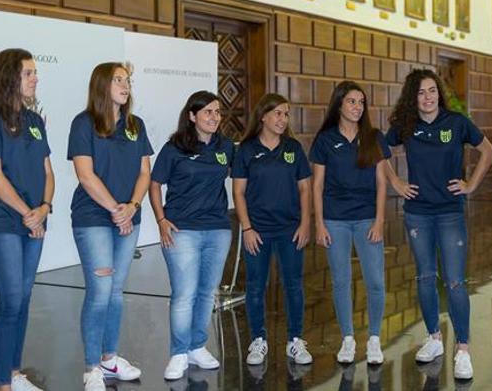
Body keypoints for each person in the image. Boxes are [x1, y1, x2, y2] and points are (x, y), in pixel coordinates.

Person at [385, 69, 492, 380]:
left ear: (439, 93)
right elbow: (378, 151)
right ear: (412, 97)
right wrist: (396, 181)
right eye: (421, 92)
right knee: (425, 276)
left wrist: (471, 184)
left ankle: (463, 349)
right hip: (417, 211)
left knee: (455, 281)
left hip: (450, 212)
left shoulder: (457, 122)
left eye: (432, 91)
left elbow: (487, 151)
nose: (428, 97)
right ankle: (433, 338)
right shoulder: (405, 126)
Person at [68, 62, 153, 391]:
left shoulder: (136, 125)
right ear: (102, 85)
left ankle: (109, 358)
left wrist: (131, 207)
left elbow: (145, 172)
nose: (125, 84)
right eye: (118, 79)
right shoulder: (84, 123)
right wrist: (116, 210)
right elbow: (85, 175)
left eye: (127, 79)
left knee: (116, 292)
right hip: (94, 218)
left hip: (128, 216)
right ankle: (91, 368)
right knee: (101, 291)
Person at [0, 49, 53, 391]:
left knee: (24, 298)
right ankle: (4, 384)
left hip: (34, 217)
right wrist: (27, 213)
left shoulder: (34, 121)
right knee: (11, 300)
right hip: (2, 219)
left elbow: (48, 171)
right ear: (10, 77)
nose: (36, 78)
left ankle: (15, 374)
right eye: (29, 73)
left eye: (35, 72)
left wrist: (45, 207)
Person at [149, 91, 235, 380]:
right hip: (182, 229)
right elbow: (155, 184)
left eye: (217, 112)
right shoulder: (175, 147)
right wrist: (161, 220)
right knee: (184, 294)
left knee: (206, 292)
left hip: (218, 230)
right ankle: (178, 352)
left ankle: (198, 346)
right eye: (208, 112)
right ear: (192, 116)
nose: (214, 117)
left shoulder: (225, 147)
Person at [311, 81, 390, 364]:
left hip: (368, 217)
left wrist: (380, 220)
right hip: (335, 220)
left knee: (375, 281)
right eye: (352, 102)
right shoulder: (324, 140)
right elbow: (317, 186)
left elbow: (382, 183)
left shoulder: (374, 138)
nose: (357, 107)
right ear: (339, 105)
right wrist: (318, 224)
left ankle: (374, 339)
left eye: (361, 102)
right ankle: (347, 339)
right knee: (341, 281)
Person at [233, 93, 313, 366]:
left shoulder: (293, 148)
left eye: (286, 114)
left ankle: (295, 340)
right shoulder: (246, 150)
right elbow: (239, 192)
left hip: (290, 230)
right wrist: (247, 228)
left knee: (294, 285)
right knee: (255, 286)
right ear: (263, 116)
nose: (282, 119)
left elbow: (305, 188)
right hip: (258, 230)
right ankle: (258, 340)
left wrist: (305, 223)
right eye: (277, 113)